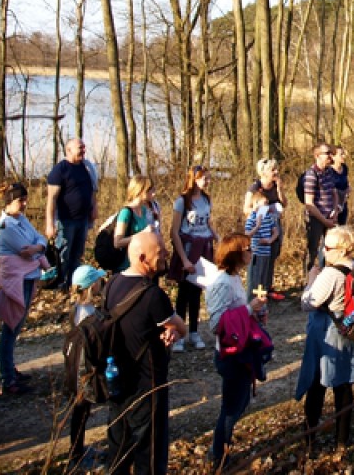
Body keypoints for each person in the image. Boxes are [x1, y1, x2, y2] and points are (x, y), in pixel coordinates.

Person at [105, 232, 186, 475]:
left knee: (118, 454)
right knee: (149, 458)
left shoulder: (111, 285)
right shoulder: (152, 295)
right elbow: (180, 326)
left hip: (117, 383)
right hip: (147, 385)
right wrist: (173, 331)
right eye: (160, 253)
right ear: (143, 258)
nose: (165, 257)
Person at [294, 226, 354, 450]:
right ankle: (341, 441)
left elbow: (308, 303)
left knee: (317, 385)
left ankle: (309, 438)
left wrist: (310, 280)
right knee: (344, 386)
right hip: (350, 329)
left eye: (327, 247)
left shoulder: (330, 274)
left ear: (342, 249)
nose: (323, 251)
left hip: (327, 332)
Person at [206, 232, 267, 467]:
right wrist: (249, 310)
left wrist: (256, 313)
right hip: (229, 354)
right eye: (247, 249)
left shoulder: (234, 278)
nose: (251, 253)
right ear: (236, 254)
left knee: (240, 403)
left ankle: (222, 450)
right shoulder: (221, 283)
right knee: (231, 407)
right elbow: (216, 324)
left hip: (241, 349)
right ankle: (219, 456)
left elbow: (238, 313)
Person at [0, 183, 47, 396]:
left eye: (24, 199)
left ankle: (10, 369)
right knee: (10, 328)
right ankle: (7, 378)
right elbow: (26, 250)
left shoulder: (21, 220)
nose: (24, 204)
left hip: (28, 277)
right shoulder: (5, 228)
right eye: (20, 200)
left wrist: (38, 247)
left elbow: (39, 240)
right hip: (16, 280)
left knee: (16, 327)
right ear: (9, 201)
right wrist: (38, 248)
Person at [170, 165, 219, 352]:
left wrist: (218, 238)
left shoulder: (206, 199)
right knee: (184, 293)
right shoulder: (182, 201)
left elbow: (208, 222)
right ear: (194, 179)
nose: (207, 181)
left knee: (197, 291)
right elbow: (174, 232)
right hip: (188, 248)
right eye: (204, 178)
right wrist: (184, 260)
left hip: (203, 248)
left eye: (208, 177)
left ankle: (194, 331)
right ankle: (179, 334)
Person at [67, 264, 107, 469]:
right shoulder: (87, 314)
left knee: (81, 411)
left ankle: (78, 450)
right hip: (85, 370)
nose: (102, 283)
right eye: (99, 280)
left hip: (77, 368)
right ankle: (76, 456)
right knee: (81, 411)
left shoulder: (77, 308)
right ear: (92, 287)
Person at [46, 138, 97, 290]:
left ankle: (72, 286)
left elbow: (93, 191)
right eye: (80, 147)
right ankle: (59, 284)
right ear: (68, 150)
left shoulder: (87, 168)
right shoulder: (60, 170)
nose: (83, 150)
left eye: (84, 147)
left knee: (77, 255)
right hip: (64, 221)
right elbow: (51, 199)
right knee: (63, 256)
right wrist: (49, 224)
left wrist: (94, 207)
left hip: (82, 220)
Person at [245, 158, 289, 299]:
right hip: (260, 225)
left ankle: (267, 287)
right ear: (263, 172)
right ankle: (255, 290)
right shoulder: (255, 188)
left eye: (276, 169)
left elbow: (285, 203)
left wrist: (279, 189)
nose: (276, 172)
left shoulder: (276, 185)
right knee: (259, 257)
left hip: (274, 223)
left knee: (273, 253)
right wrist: (262, 210)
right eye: (272, 170)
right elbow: (246, 208)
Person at [301, 145, 339, 272]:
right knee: (313, 249)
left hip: (330, 216)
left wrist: (335, 211)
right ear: (317, 156)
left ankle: (326, 275)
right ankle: (308, 280)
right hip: (316, 218)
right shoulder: (311, 175)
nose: (330, 156)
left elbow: (334, 193)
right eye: (327, 153)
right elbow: (309, 203)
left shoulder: (329, 172)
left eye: (331, 153)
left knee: (331, 248)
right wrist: (324, 221)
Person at [113, 176, 161, 273]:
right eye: (150, 191)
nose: (153, 194)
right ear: (140, 191)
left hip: (142, 266)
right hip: (126, 267)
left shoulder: (143, 210)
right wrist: (142, 234)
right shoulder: (125, 212)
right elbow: (117, 242)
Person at [244, 193, 280, 300]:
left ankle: (261, 300)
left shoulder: (268, 217)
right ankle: (251, 300)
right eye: (264, 203)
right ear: (256, 204)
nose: (266, 206)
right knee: (254, 278)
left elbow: (276, 231)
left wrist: (269, 240)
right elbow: (247, 234)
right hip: (256, 253)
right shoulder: (252, 217)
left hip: (266, 252)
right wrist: (257, 226)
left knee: (263, 277)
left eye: (267, 204)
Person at [332, 147, 351, 227]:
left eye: (344, 154)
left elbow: (346, 182)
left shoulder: (345, 168)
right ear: (333, 157)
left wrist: (348, 188)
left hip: (343, 203)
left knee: (342, 228)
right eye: (341, 154)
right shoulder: (328, 171)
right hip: (332, 205)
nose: (344, 156)